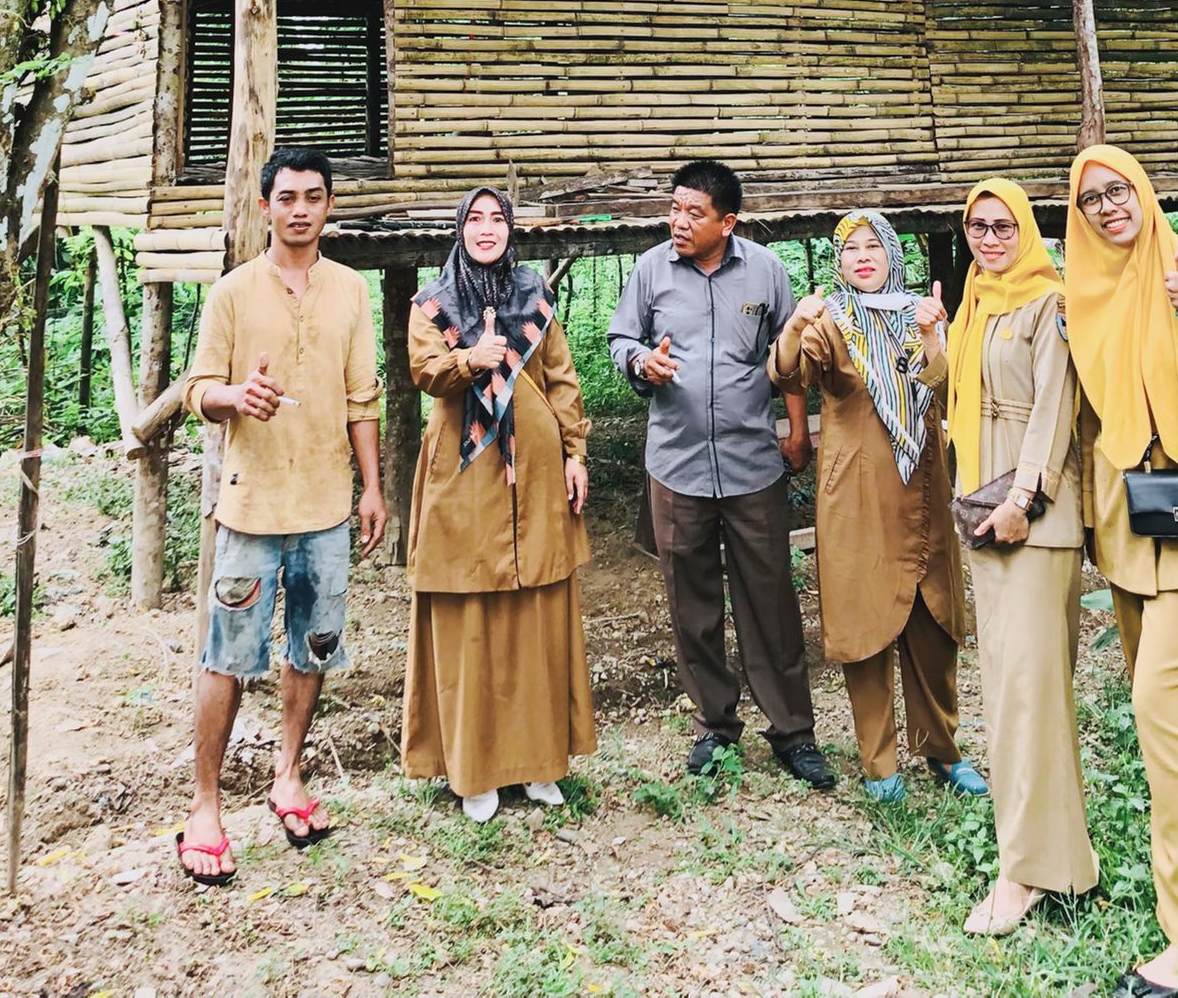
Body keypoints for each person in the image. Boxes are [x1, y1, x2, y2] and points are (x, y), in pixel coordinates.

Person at [178, 147, 386, 884]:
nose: (301, 209)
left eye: (315, 197)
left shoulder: (352, 291)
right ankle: (205, 805)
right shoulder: (233, 293)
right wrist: (235, 396)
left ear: (329, 207)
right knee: (228, 653)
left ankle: (288, 773)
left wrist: (371, 487)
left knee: (313, 646)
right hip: (252, 504)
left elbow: (364, 398)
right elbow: (196, 388)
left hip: (326, 504)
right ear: (264, 207)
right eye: (288, 197)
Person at [608, 159, 834, 789]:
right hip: (676, 463)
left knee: (770, 599)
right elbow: (621, 338)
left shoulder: (765, 271)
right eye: (674, 209)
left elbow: (788, 356)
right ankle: (716, 723)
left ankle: (793, 731)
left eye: (694, 213)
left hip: (751, 462)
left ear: (727, 222)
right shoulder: (651, 269)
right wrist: (640, 363)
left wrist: (796, 430)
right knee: (692, 602)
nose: (678, 222)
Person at [769, 211, 984, 804]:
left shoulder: (922, 313)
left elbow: (946, 387)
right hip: (857, 497)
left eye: (873, 246)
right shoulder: (830, 322)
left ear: (892, 254)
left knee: (934, 620)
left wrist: (935, 337)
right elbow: (789, 373)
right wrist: (793, 326)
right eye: (850, 250)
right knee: (865, 624)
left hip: (923, 491)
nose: (862, 257)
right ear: (838, 263)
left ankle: (944, 750)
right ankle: (880, 764)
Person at [400, 188, 595, 823]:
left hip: (536, 475)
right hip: (464, 478)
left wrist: (574, 452)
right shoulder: (432, 304)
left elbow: (562, 379)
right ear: (459, 229)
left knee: (536, 610)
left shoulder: (534, 296)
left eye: (498, 219)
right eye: (475, 220)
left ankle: (540, 765)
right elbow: (425, 372)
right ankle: (475, 772)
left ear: (511, 229)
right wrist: (469, 358)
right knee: (471, 615)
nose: (488, 230)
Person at [938, 178, 1096, 937]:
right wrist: (933, 340)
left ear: (1028, 229)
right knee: (1016, 697)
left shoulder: (1047, 300)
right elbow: (951, 391)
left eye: (1004, 226)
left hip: (1028, 523)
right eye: (978, 226)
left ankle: (1023, 874)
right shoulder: (977, 300)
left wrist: (1022, 503)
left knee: (1025, 700)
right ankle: (1059, 863)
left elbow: (1053, 410)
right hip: (985, 514)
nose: (992, 239)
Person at [1067, 147, 1178, 998]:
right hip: (1139, 526)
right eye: (1091, 201)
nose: (1110, 208)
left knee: (1161, 713)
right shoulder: (1087, 296)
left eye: (1120, 191)